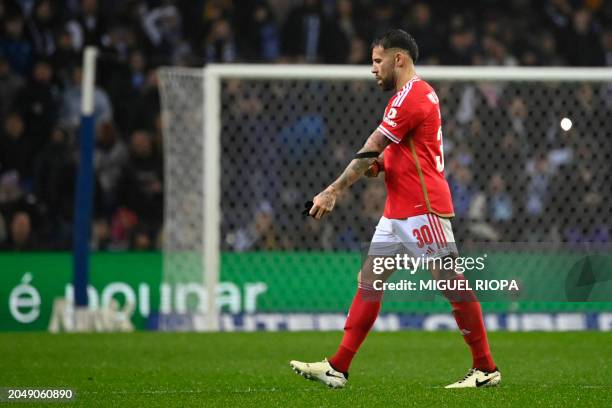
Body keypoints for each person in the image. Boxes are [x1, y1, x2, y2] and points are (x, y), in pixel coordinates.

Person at [289, 29, 500, 389]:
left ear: (397, 59)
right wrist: (378, 166)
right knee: (369, 282)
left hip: (423, 209)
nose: (373, 69)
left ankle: (485, 368)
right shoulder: (403, 98)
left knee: (451, 284)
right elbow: (396, 154)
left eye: (376, 61)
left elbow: (375, 143)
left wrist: (333, 190)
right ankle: (338, 367)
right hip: (398, 210)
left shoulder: (414, 95)